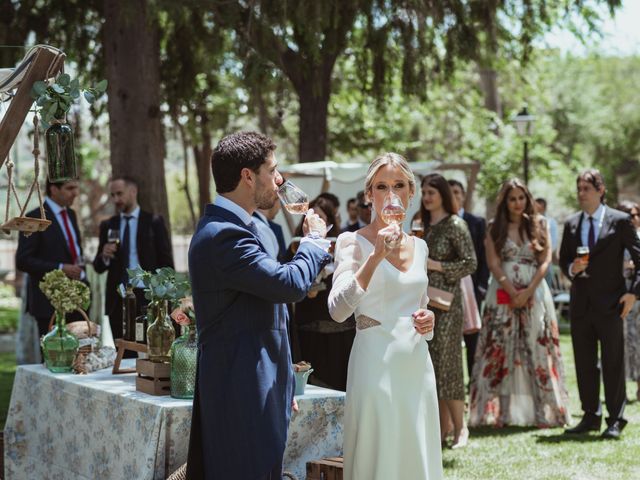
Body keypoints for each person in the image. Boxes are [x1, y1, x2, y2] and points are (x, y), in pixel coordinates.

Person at [186, 131, 331, 480]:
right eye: (273, 170)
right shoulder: (223, 234)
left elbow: (268, 309)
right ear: (248, 176)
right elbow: (289, 285)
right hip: (240, 391)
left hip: (263, 385)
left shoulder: (248, 228)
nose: (280, 180)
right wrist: (313, 242)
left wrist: (283, 379)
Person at [328, 152, 442, 479]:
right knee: (379, 456)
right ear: (369, 195)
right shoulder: (352, 242)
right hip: (374, 362)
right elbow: (337, 310)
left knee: (415, 453)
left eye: (398, 185)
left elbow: (418, 304)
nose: (390, 195)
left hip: (416, 366)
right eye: (381, 186)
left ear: (411, 192)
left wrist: (429, 321)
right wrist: (376, 257)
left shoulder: (420, 248)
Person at [469, 178, 570, 428]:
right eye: (512, 198)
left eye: (521, 198)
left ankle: (542, 413)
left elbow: (546, 261)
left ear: (528, 199)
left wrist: (527, 292)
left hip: (535, 292)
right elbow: (492, 263)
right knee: (501, 350)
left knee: (536, 349)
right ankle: (501, 414)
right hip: (502, 294)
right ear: (505, 201)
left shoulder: (540, 224)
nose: (517, 203)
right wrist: (512, 290)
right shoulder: (494, 227)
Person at [559, 169, 640, 439]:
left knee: (613, 363)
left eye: (587, 188)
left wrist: (633, 294)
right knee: (584, 363)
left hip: (612, 304)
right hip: (580, 305)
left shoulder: (620, 221)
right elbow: (563, 261)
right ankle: (590, 416)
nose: (582, 193)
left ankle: (615, 419)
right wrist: (572, 267)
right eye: (579, 188)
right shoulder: (571, 223)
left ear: (600, 189)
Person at [421, 173, 477, 448]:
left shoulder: (456, 224)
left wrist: (437, 266)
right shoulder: (423, 226)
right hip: (423, 303)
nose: (427, 197)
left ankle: (461, 428)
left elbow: (470, 263)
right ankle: (441, 428)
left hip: (447, 304)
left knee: (450, 364)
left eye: (431, 192)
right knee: (431, 364)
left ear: (443, 194)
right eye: (423, 192)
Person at [92, 176, 173, 342]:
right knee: (123, 352)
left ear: (133, 191)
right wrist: (105, 256)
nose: (116, 199)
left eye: (119, 194)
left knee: (148, 350)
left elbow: (166, 263)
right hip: (118, 298)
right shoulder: (108, 225)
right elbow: (98, 266)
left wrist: (165, 298)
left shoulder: (153, 222)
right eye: (113, 195)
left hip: (148, 297)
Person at [290, 197, 354, 391]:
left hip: (339, 333)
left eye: (321, 217)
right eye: (312, 216)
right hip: (309, 331)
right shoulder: (296, 246)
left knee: (339, 386)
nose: (316, 221)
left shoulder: (342, 245)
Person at [16, 180, 88, 336]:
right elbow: (22, 260)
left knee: (80, 356)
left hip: (76, 301)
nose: (75, 193)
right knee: (53, 357)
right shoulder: (33, 217)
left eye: (76, 187)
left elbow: (74, 251)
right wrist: (61, 268)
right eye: (70, 188)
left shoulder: (71, 214)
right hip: (47, 303)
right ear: (54, 189)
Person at [448, 179, 489, 382]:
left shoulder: (476, 222)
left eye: (457, 192)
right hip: (447, 293)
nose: (453, 196)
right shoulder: (439, 223)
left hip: (473, 292)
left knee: (473, 342)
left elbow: (484, 257)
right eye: (450, 192)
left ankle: (473, 388)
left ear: (463, 195)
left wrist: (481, 287)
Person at [616, 200, 640, 402]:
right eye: (627, 215)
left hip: (637, 296)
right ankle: (619, 389)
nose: (631, 219)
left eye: (634, 215)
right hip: (618, 297)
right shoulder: (613, 240)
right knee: (621, 344)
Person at [535, 197, 560, 288]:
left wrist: (542, 253)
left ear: (544, 207)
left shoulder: (551, 222)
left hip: (546, 261)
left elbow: (553, 243)